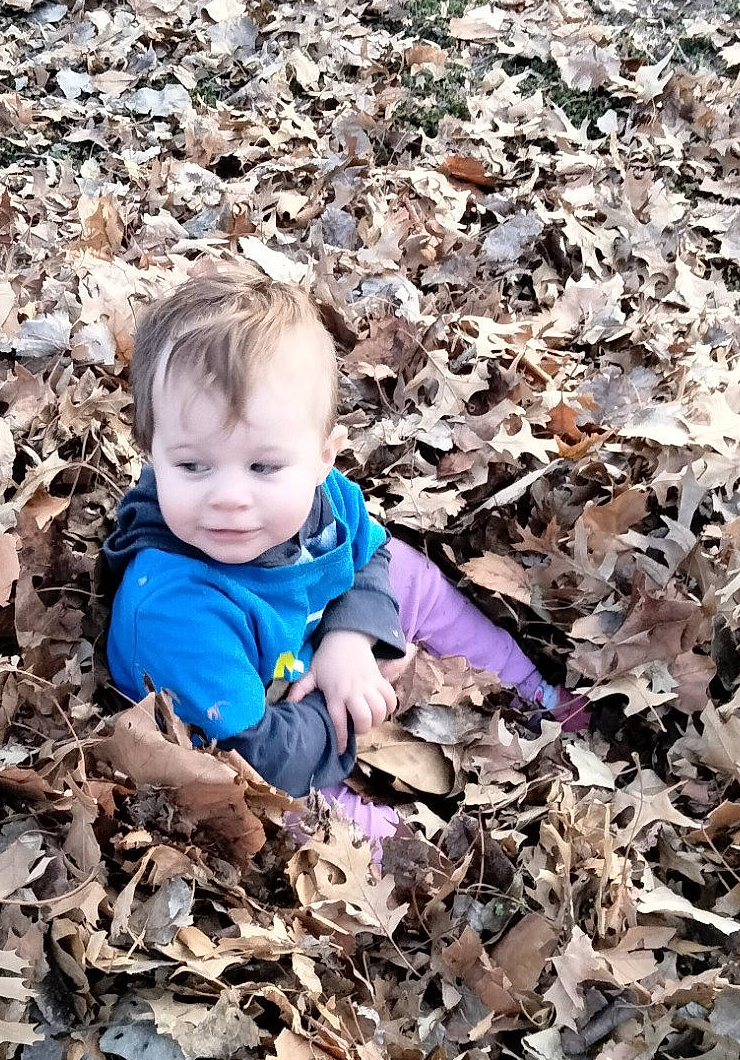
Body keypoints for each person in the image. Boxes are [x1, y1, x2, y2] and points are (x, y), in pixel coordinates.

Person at [102, 270, 587, 853]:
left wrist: (353, 640)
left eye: (263, 467)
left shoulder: (319, 499)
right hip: (261, 717)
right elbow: (252, 756)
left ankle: (533, 692)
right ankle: (414, 851)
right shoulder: (176, 611)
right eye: (192, 467)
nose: (229, 496)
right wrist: (348, 709)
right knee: (285, 807)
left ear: (322, 458)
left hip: (310, 643)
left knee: (405, 569)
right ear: (151, 458)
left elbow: (369, 552)